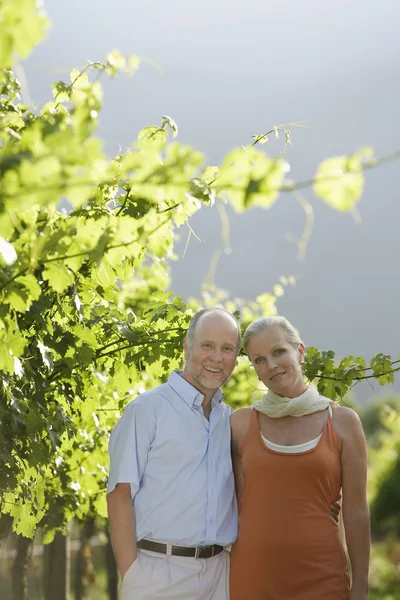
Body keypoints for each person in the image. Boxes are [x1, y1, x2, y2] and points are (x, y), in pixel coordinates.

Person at [229, 316, 370, 600]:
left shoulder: (343, 422)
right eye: (259, 359)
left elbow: (355, 511)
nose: (271, 365)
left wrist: (360, 587)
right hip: (252, 578)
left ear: (300, 352)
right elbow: (232, 503)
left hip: (323, 577)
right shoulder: (239, 425)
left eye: (279, 352)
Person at [107, 307, 241, 600]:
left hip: (220, 577)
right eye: (208, 345)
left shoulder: (228, 420)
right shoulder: (146, 411)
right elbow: (119, 495)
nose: (217, 358)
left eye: (227, 349)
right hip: (157, 578)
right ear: (187, 344)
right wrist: (132, 577)